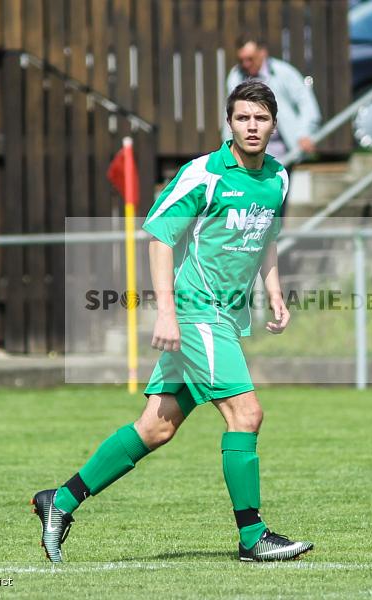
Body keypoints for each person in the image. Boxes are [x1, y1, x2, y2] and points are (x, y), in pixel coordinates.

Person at [31, 80, 314, 564]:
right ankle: (252, 537)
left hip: (224, 316)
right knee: (246, 415)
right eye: (243, 117)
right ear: (229, 123)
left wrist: (274, 292)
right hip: (196, 310)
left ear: (273, 125)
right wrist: (166, 311)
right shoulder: (203, 173)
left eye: (261, 119)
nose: (252, 126)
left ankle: (60, 500)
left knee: (155, 428)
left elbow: (266, 238)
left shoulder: (278, 179)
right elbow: (159, 238)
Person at [223, 35, 322, 161]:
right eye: (241, 60)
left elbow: (306, 103)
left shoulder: (283, 72)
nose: (245, 64)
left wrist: (305, 134)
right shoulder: (236, 76)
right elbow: (229, 112)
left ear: (262, 53)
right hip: (248, 155)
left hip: (283, 153)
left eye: (250, 59)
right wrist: (228, 146)